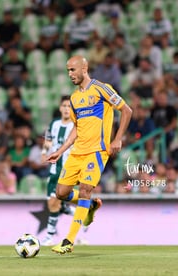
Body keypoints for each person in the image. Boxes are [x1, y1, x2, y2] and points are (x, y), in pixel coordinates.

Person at [46, 55, 132, 254]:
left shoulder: (102, 88)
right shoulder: (74, 99)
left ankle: (68, 240)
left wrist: (117, 139)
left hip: (97, 151)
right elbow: (76, 128)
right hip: (77, 152)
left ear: (84, 68)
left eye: (73, 70)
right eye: (68, 71)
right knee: (61, 193)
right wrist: (60, 151)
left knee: (85, 189)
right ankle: (91, 205)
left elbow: (126, 110)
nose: (70, 74)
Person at [41, 95, 76, 246]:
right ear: (60, 108)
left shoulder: (75, 125)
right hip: (54, 168)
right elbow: (48, 141)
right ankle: (71, 211)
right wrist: (44, 153)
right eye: (64, 106)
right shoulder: (54, 124)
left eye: (69, 106)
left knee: (54, 201)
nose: (67, 109)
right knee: (52, 203)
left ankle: (49, 237)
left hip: (68, 168)